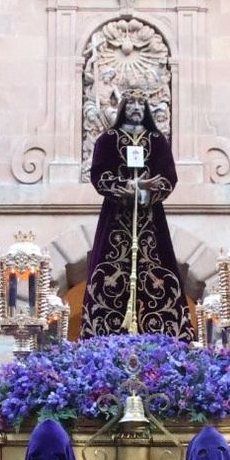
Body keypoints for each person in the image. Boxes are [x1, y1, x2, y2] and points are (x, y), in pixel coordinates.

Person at [78, 90, 194, 340]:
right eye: (131, 103)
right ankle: (106, 334)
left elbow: (169, 177)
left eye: (141, 104)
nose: (136, 108)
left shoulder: (156, 140)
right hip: (116, 219)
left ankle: (162, 335)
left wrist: (147, 191)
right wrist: (127, 188)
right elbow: (99, 174)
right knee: (109, 272)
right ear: (122, 108)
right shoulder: (108, 139)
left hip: (150, 221)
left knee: (157, 271)